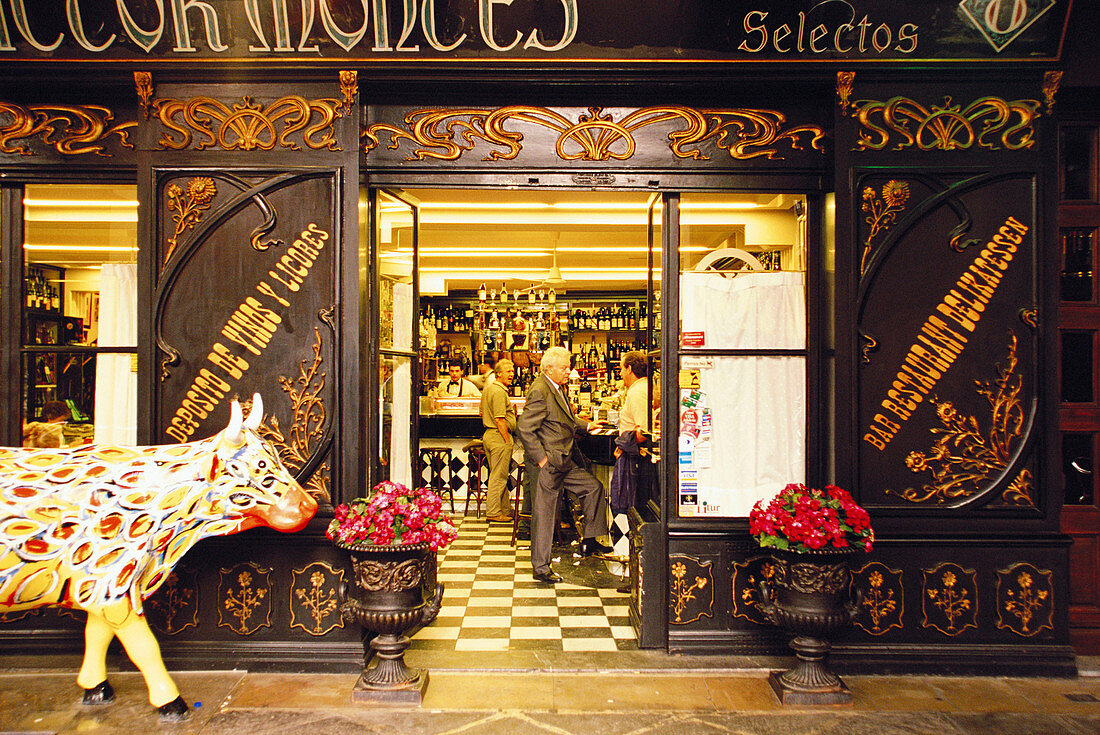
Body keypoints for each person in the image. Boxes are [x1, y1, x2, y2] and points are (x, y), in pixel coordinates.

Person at [517, 346, 611, 584]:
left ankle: (590, 541)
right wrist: (541, 459)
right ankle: (540, 567)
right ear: (549, 368)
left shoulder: (556, 388)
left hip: (564, 459)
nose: (569, 371)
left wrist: (588, 426)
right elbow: (525, 428)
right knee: (545, 514)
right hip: (549, 463)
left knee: (593, 488)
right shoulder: (540, 390)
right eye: (565, 367)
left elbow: (565, 419)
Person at [479, 358, 517, 523]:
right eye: (508, 371)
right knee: (499, 477)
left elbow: (481, 412)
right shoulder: (500, 391)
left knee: (498, 473)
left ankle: (505, 509)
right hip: (498, 436)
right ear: (498, 373)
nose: (511, 375)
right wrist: (507, 439)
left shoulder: (488, 388)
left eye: (512, 371)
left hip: (489, 435)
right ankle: (494, 512)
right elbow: (499, 419)